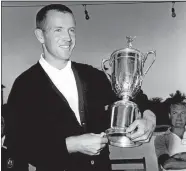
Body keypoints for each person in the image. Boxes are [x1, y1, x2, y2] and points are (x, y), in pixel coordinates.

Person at [7, 4, 156, 171]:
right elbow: (17, 146)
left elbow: (132, 97)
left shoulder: (93, 76)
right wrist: (71, 145)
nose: (68, 37)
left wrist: (149, 118)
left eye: (71, 30)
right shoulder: (24, 86)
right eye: (58, 30)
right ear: (40, 35)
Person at [155, 90, 186, 171]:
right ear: (169, 115)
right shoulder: (161, 139)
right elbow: (167, 164)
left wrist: (178, 157)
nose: (179, 118)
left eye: (182, 113)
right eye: (175, 113)